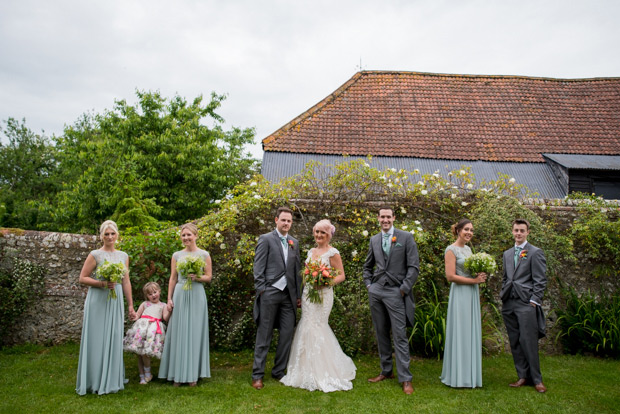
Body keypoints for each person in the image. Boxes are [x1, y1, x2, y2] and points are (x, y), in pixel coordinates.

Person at [280, 219, 357, 392]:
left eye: (323, 232)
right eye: (317, 232)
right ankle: (304, 368)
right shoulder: (311, 251)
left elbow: (341, 275)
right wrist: (305, 287)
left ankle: (324, 369)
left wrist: (326, 283)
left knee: (318, 326)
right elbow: (305, 275)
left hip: (323, 295)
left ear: (329, 235)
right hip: (308, 294)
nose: (319, 235)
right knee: (306, 325)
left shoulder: (333, 253)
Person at [363, 205, 419, 395]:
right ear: (378, 219)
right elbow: (367, 266)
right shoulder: (374, 239)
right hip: (376, 291)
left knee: (400, 335)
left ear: (394, 218)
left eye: (388, 217)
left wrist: (403, 289)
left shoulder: (406, 238)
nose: (385, 220)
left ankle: (406, 379)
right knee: (381, 333)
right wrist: (369, 285)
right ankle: (386, 371)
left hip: (396, 291)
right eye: (382, 217)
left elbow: (414, 267)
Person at [76, 220, 136, 395]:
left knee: (114, 336)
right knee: (96, 338)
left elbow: (126, 281)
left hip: (115, 300)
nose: (110, 237)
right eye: (106, 234)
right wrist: (102, 283)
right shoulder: (95, 254)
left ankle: (111, 378)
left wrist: (130, 305)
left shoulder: (124, 256)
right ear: (101, 236)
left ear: (117, 235)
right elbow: (82, 278)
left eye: (112, 233)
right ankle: (94, 380)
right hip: (98, 300)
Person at [251, 207, 302, 390]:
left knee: (287, 334)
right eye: (283, 220)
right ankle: (257, 375)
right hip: (270, 293)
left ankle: (278, 371)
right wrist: (262, 290)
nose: (286, 223)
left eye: (289, 221)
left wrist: (298, 295)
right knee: (264, 335)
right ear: (276, 220)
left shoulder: (294, 242)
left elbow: (297, 271)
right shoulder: (266, 239)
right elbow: (258, 267)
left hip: (289, 296)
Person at [158, 223, 212, 386]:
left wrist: (197, 277)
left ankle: (193, 375)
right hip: (180, 293)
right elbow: (173, 278)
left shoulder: (204, 254)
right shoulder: (176, 255)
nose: (186, 238)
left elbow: (208, 277)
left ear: (196, 236)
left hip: (197, 294)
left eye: (189, 235)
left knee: (195, 332)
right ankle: (176, 373)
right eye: (183, 235)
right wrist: (169, 299)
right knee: (179, 331)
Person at [500, 218, 547, 393]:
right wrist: (503, 293)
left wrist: (534, 301)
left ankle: (537, 379)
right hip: (509, 303)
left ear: (528, 232)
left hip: (526, 304)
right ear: (512, 232)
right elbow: (506, 277)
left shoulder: (535, 252)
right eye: (516, 230)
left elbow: (540, 280)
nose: (518, 233)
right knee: (515, 342)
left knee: (528, 342)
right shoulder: (507, 253)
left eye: (522, 230)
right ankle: (522, 376)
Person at [440, 219, 487, 388]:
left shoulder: (468, 249)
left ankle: (469, 374)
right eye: (466, 229)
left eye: (472, 230)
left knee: (470, 332)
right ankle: (457, 376)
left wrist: (480, 274)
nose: (469, 232)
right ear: (458, 230)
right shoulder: (451, 250)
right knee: (460, 331)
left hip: (472, 293)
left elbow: (470, 271)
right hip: (460, 294)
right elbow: (450, 276)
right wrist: (474, 280)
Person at [123, 281, 170, 384]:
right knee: (139, 353)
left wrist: (170, 309)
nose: (153, 295)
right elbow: (137, 315)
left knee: (146, 353)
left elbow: (165, 318)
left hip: (153, 332)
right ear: (147, 296)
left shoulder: (163, 305)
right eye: (150, 294)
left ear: (159, 291)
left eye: (155, 292)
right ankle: (142, 377)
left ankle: (148, 373)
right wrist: (132, 315)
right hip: (142, 329)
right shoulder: (145, 304)